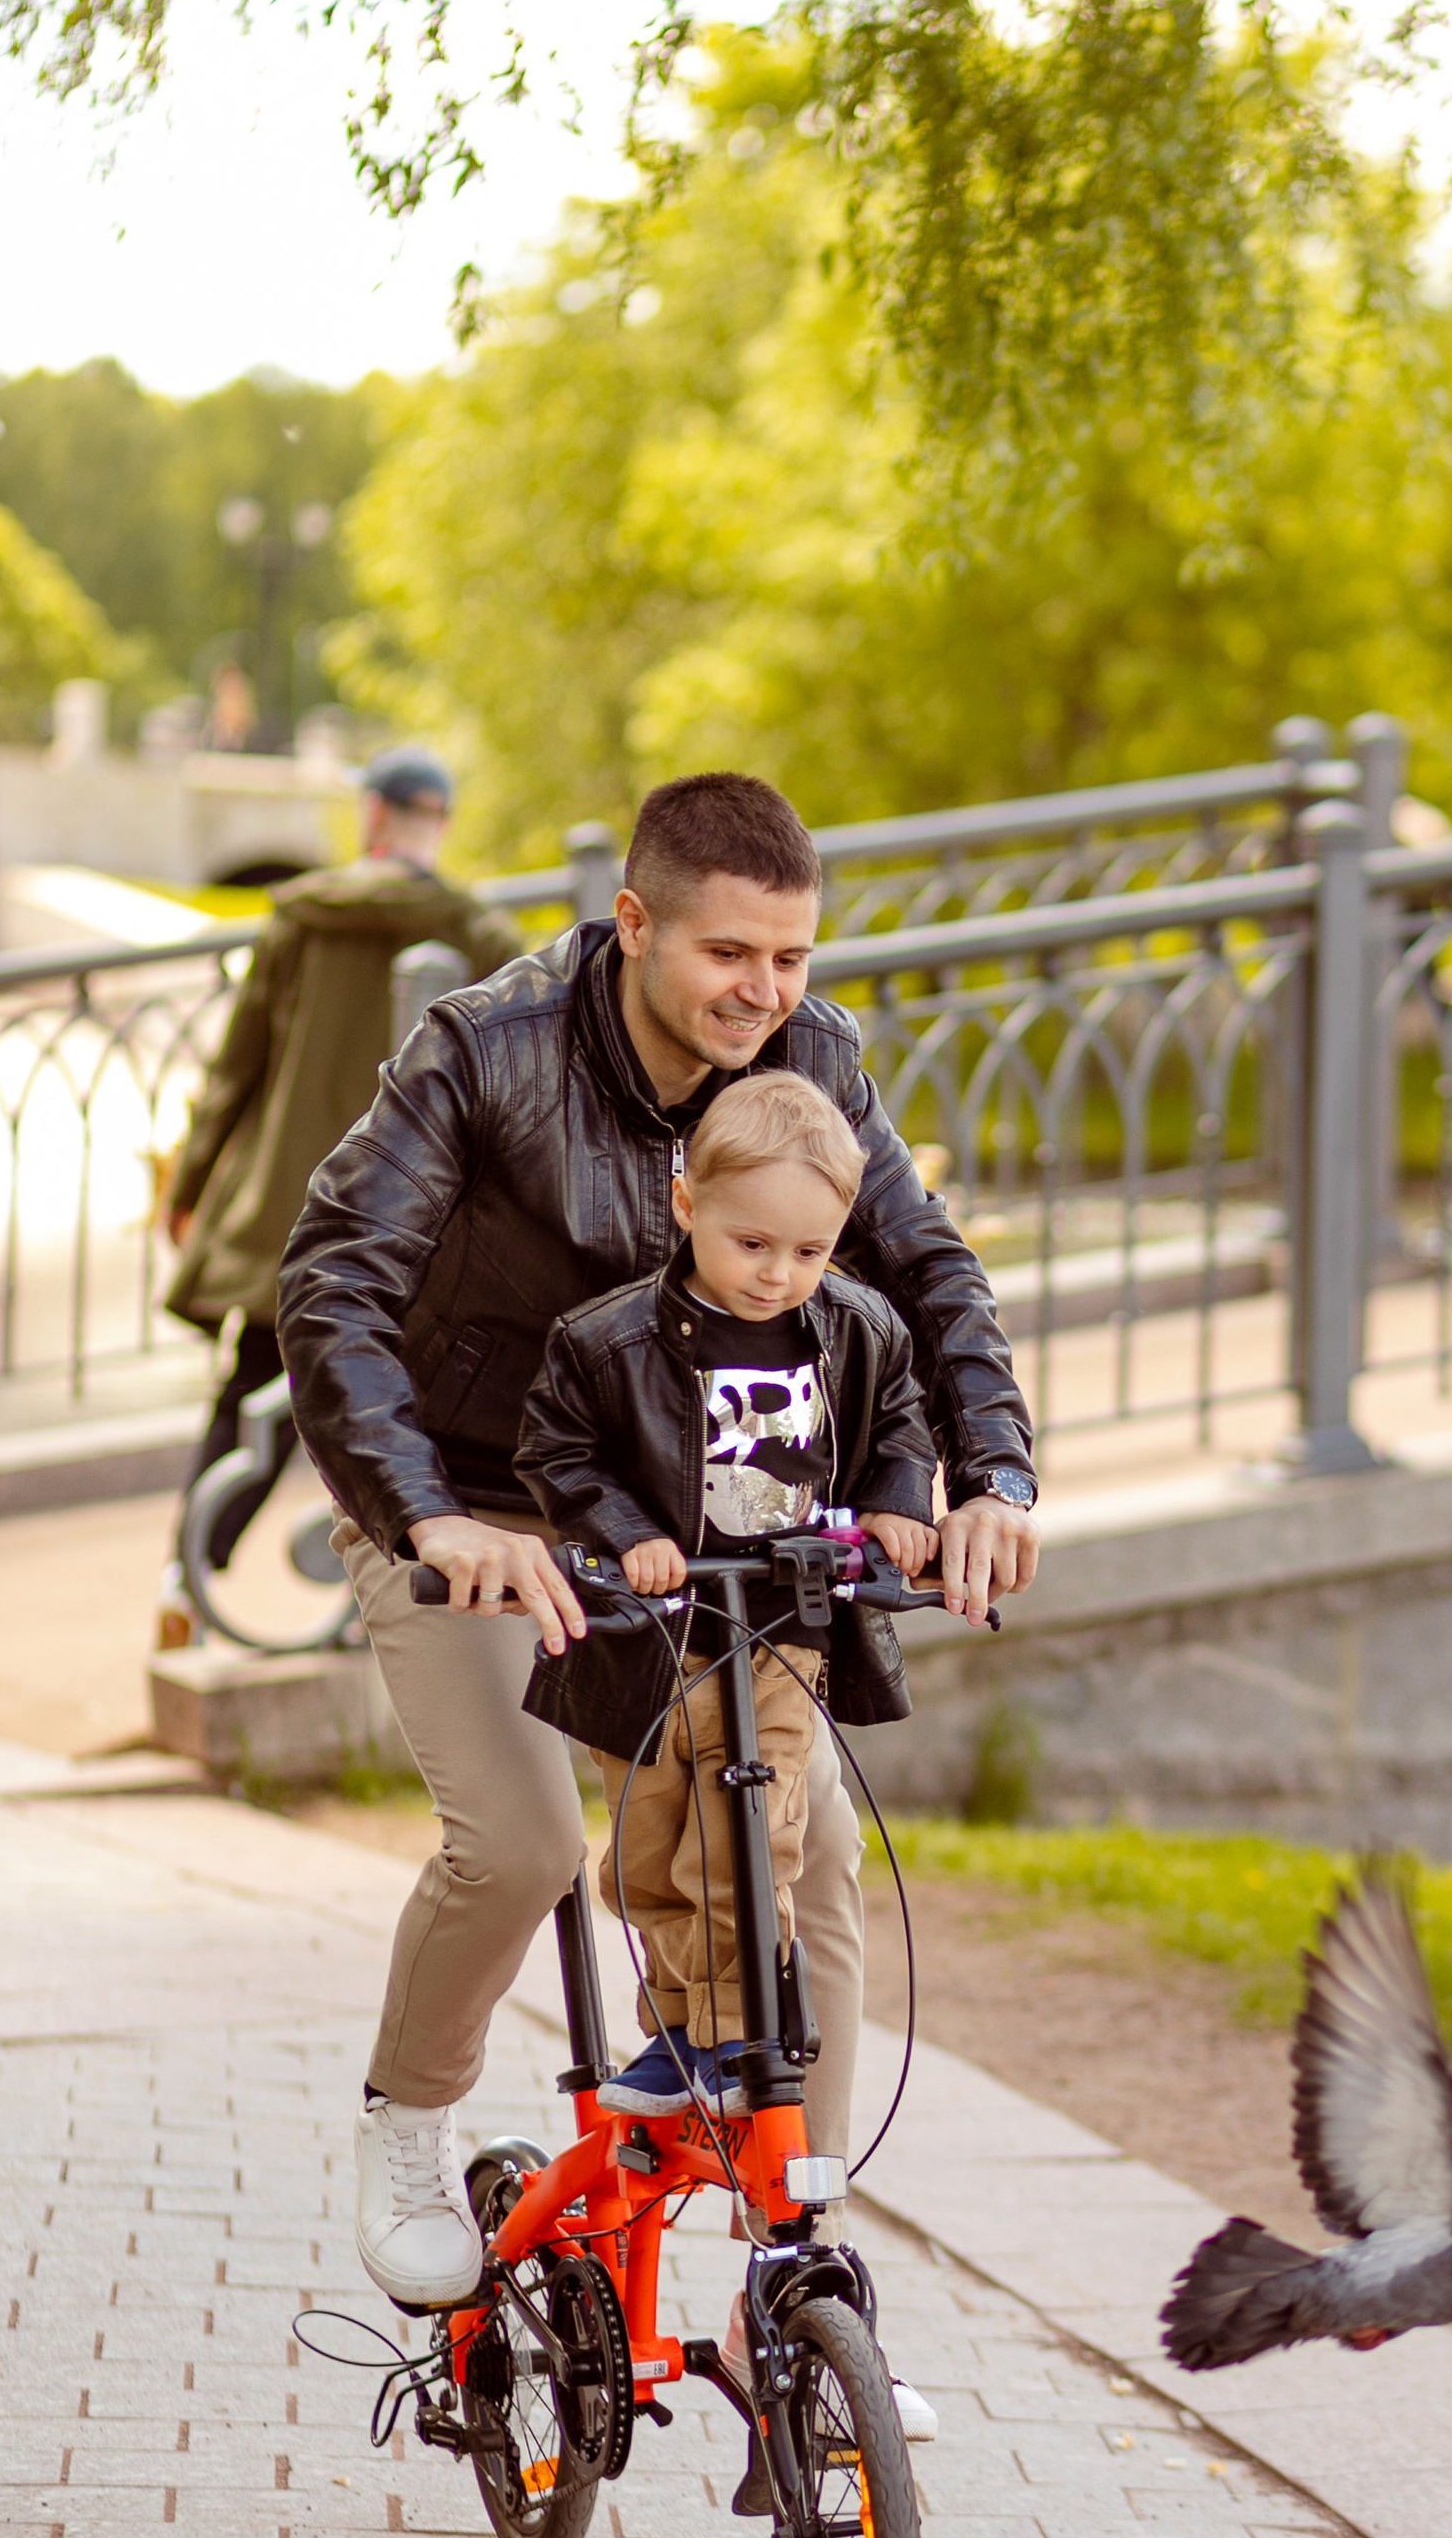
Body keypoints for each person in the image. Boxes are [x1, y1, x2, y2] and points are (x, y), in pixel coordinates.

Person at [278, 769, 1039, 2316]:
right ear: (634, 926)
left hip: (705, 1525)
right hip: (470, 1499)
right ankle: (407, 2122)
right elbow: (336, 1283)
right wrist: (428, 1513)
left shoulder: (812, 1061)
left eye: (795, 959)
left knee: (810, 1842)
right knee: (522, 1842)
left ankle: (798, 2267)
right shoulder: (487, 1050)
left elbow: (927, 1269)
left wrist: (993, 1479)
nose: (768, 993)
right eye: (729, 956)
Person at [513, 1067, 940, 2119]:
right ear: (689, 1205)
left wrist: (895, 1501)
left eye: (809, 1252)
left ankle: (739, 2038)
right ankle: (681, 2031)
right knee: (649, 1859)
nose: (777, 1275)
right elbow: (556, 1450)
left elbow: (901, 1422)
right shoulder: (606, 1341)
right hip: (654, 1636)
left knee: (750, 1838)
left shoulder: (856, 1329)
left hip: (782, 1632)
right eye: (752, 1245)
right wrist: (626, 1534)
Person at [161, 746, 516, 1635]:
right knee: (385, 1398)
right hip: (409, 1219)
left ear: (370, 816)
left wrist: (193, 1184)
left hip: (285, 1208)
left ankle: (188, 1577)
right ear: (440, 821)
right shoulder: (479, 934)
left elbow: (237, 1068)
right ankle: (373, 1610)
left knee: (252, 1396)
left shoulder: (303, 920)